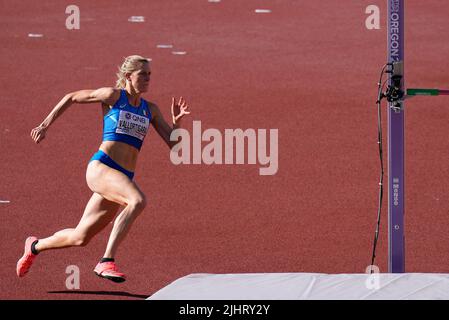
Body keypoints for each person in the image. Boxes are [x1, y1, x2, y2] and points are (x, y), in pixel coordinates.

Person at [16, 55, 190, 283]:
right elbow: (71, 97)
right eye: (143, 74)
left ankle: (34, 246)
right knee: (137, 200)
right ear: (129, 76)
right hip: (102, 168)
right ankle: (106, 260)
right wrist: (44, 124)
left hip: (122, 176)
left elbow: (174, 146)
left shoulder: (151, 110)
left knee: (80, 237)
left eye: (150, 74)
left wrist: (177, 125)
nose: (148, 79)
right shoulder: (113, 96)